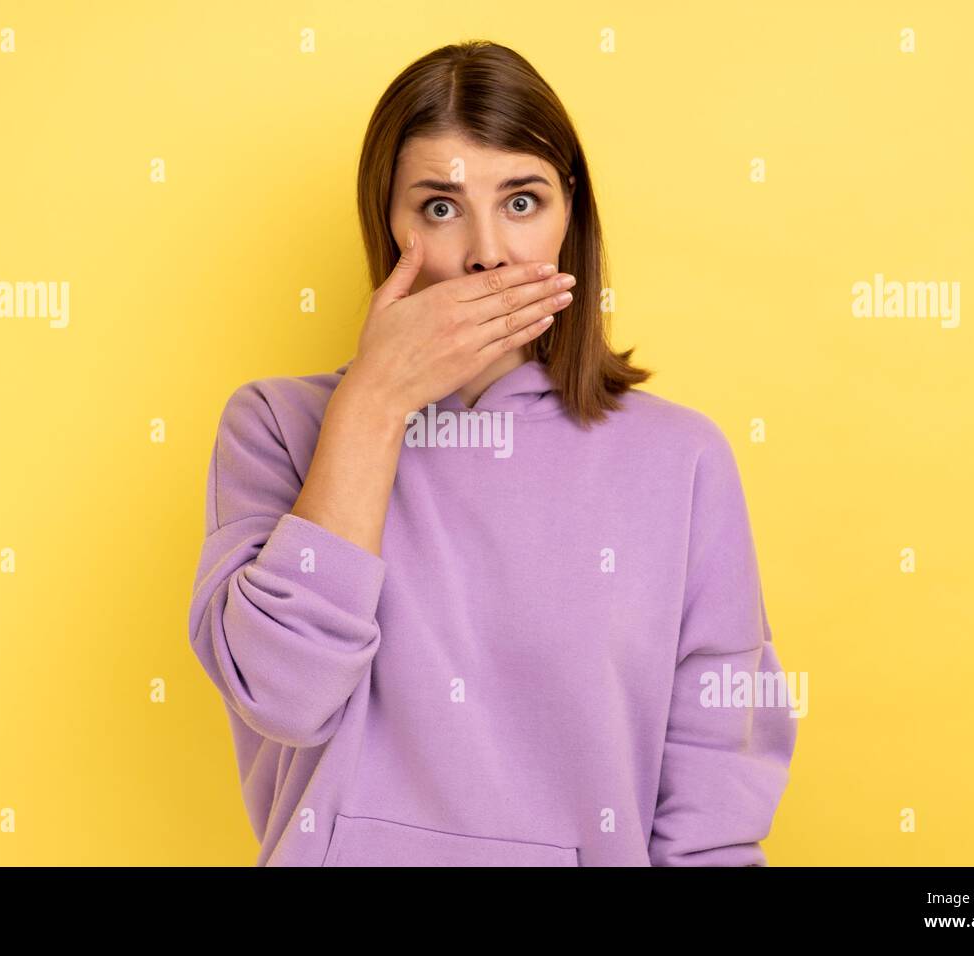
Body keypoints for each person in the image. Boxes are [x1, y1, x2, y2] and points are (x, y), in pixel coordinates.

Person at [187, 39, 798, 866]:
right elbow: (284, 696)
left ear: (569, 215)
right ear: (386, 222)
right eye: (440, 207)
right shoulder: (278, 427)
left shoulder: (680, 458)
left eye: (522, 201)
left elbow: (717, 790)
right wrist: (372, 404)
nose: (486, 252)